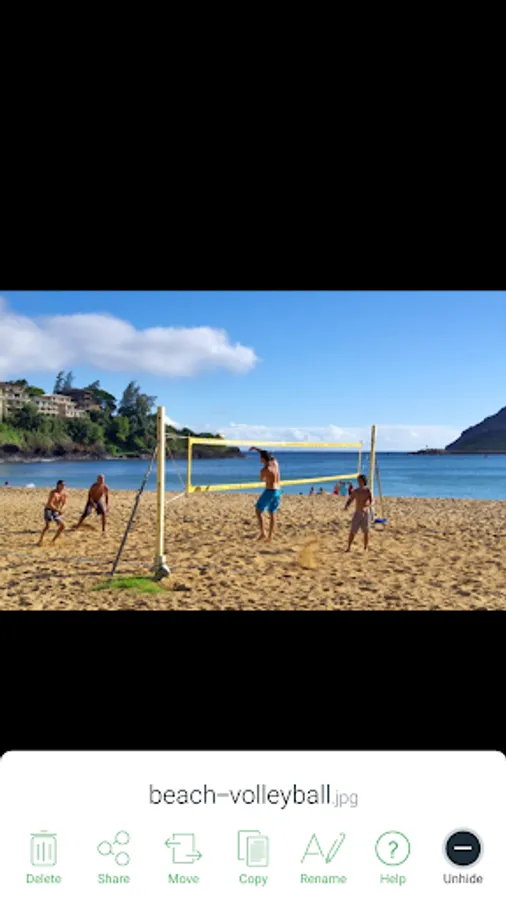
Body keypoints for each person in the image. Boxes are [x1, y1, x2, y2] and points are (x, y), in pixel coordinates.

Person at [249, 447, 281, 541]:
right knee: (272, 513)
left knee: (258, 511)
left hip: (269, 491)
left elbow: (261, 479)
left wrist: (264, 474)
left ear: (262, 459)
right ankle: (270, 536)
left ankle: (263, 533)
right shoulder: (275, 463)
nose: (259, 459)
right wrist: (256, 449)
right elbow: (267, 454)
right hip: (278, 491)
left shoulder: (265, 470)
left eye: (260, 457)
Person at [344, 474, 373, 552]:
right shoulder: (356, 491)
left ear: (363, 481)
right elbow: (351, 499)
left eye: (360, 481)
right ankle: (349, 547)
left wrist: (366, 506)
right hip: (357, 513)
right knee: (353, 531)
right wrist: (346, 505)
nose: (359, 482)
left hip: (365, 514)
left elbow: (371, 501)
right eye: (358, 481)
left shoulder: (367, 491)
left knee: (366, 532)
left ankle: (365, 548)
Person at [38, 479, 67, 546]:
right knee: (48, 526)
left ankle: (53, 541)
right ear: (58, 485)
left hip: (56, 511)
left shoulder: (64, 494)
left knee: (63, 526)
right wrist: (59, 510)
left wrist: (62, 509)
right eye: (62, 485)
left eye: (64, 485)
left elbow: (64, 503)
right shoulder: (53, 493)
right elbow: (50, 504)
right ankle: (41, 540)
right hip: (48, 510)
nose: (63, 486)